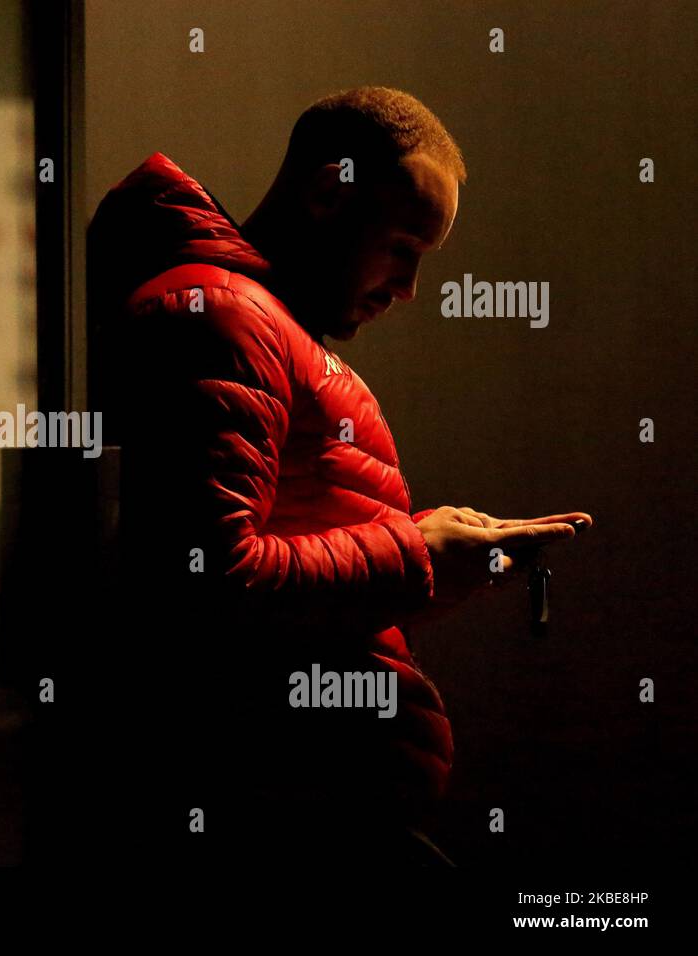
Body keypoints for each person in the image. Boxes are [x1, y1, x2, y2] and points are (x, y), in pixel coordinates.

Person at [85, 86, 591, 866]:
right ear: (328, 193)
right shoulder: (227, 319)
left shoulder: (258, 327)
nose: (409, 289)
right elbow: (208, 582)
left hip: (305, 810)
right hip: (279, 827)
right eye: (400, 249)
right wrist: (417, 556)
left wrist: (430, 558)